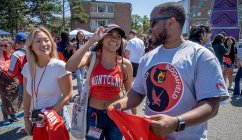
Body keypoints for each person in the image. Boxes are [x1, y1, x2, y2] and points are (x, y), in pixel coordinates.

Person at [109, 2, 229, 140]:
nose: (149, 28)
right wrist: (119, 104)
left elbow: (212, 105)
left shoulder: (201, 56)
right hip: (151, 136)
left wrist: (176, 122)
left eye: (153, 22)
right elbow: (137, 92)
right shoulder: (148, 57)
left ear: (171, 22)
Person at [65, 24, 133, 140]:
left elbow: (130, 93)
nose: (114, 39)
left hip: (116, 116)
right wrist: (91, 41)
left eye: (118, 36)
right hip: (94, 116)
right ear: (102, 38)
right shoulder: (92, 58)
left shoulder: (125, 64)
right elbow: (69, 66)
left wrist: (133, 118)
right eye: (110, 35)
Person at [22, 27, 72, 136]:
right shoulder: (27, 67)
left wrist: (48, 114)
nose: (44, 44)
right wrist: (26, 118)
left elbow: (68, 95)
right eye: (38, 41)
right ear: (31, 46)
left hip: (56, 119)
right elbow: (26, 95)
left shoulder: (60, 66)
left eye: (46, 40)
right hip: (37, 120)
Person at [0, 38, 20, 125]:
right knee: (4, 98)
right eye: (1, 45)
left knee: (13, 98)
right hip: (2, 78)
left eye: (5, 45)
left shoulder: (15, 53)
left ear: (11, 45)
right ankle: (5, 117)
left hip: (14, 78)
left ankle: (12, 114)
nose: (2, 47)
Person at [7, 32, 28, 99]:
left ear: (16, 42)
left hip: (24, 82)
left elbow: (11, 72)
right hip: (38, 80)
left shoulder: (16, 54)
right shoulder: (34, 51)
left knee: (27, 103)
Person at [74, 31, 86, 95]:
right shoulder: (75, 44)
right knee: (80, 79)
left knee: (82, 79)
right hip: (77, 64)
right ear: (77, 37)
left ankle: (80, 92)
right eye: (79, 36)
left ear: (83, 36)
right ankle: (81, 93)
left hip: (83, 64)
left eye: (82, 36)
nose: (80, 37)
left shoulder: (86, 44)